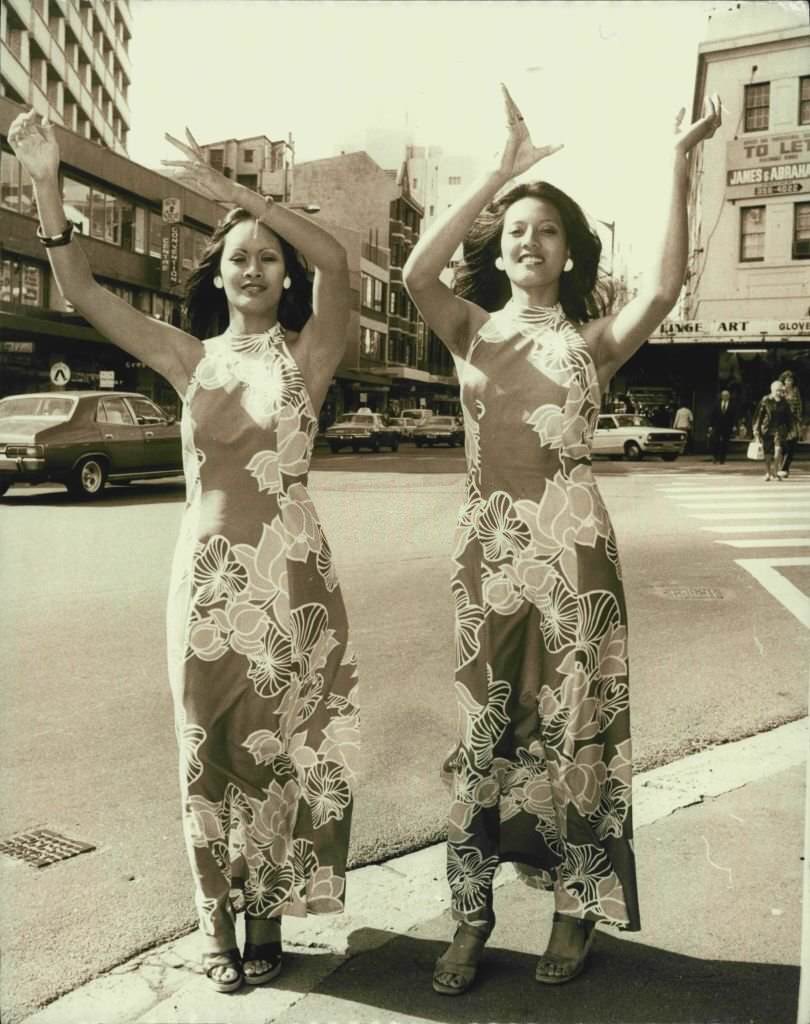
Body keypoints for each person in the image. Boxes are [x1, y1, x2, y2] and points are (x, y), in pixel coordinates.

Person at [9, 111, 359, 994]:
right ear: (221, 275)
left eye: (267, 256)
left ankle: (270, 912)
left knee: (279, 747)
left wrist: (243, 199)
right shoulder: (188, 359)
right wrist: (47, 180)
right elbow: (84, 293)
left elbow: (345, 266)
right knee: (205, 749)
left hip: (293, 581)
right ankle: (215, 925)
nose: (252, 267)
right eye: (238, 255)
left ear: (285, 276)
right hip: (204, 585)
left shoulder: (308, 358)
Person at [403, 84, 721, 995]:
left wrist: (677, 160)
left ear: (569, 251)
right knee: (483, 735)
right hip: (487, 554)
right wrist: (500, 174)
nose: (527, 239)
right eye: (514, 228)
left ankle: (576, 908)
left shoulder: (592, 341)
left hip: (576, 550)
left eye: (545, 229)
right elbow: (421, 275)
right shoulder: (469, 333)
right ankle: (470, 916)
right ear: (498, 247)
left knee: (579, 732)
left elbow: (665, 285)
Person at [753, 379, 795, 481]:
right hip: (767, 429)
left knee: (778, 450)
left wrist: (791, 429)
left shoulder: (784, 402)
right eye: (778, 391)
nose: (780, 393)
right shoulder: (766, 400)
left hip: (780, 430)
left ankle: (775, 472)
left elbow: (789, 416)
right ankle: (768, 472)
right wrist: (756, 429)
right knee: (767, 453)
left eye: (781, 390)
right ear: (772, 390)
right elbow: (759, 416)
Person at [778, 370, 803, 477]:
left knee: (792, 446)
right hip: (782, 422)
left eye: (791, 380)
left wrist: (799, 419)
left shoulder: (796, 391)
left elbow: (799, 406)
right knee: (783, 447)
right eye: (787, 380)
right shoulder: (780, 391)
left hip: (794, 422)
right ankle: (782, 468)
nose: (789, 382)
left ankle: (784, 468)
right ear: (783, 381)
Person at [708, 388, 734, 464]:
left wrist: (734, 425)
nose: (725, 397)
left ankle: (722, 459)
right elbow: (712, 415)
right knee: (715, 441)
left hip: (727, 426)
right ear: (721, 396)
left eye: (727, 395)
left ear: (729, 396)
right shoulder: (716, 404)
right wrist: (710, 425)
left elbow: (734, 416)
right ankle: (715, 456)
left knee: (725, 443)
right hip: (717, 426)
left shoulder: (732, 405)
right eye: (724, 395)